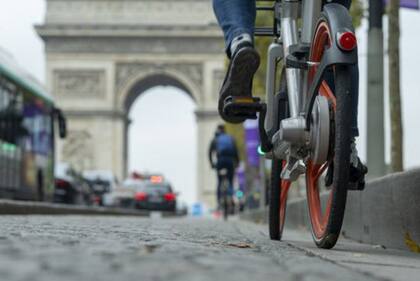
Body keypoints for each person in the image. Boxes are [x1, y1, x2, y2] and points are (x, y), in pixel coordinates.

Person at [212, 0, 367, 188]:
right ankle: (346, 148)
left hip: (223, 161)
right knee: (336, 38)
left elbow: (212, 152)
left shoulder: (218, 141)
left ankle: (240, 41)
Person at [209, 124, 239, 209]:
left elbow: (210, 153)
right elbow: (236, 152)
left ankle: (219, 202)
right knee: (230, 180)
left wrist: (212, 163)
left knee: (219, 181)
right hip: (230, 161)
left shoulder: (215, 139)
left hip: (220, 161)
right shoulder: (230, 138)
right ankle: (231, 198)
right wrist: (237, 163)